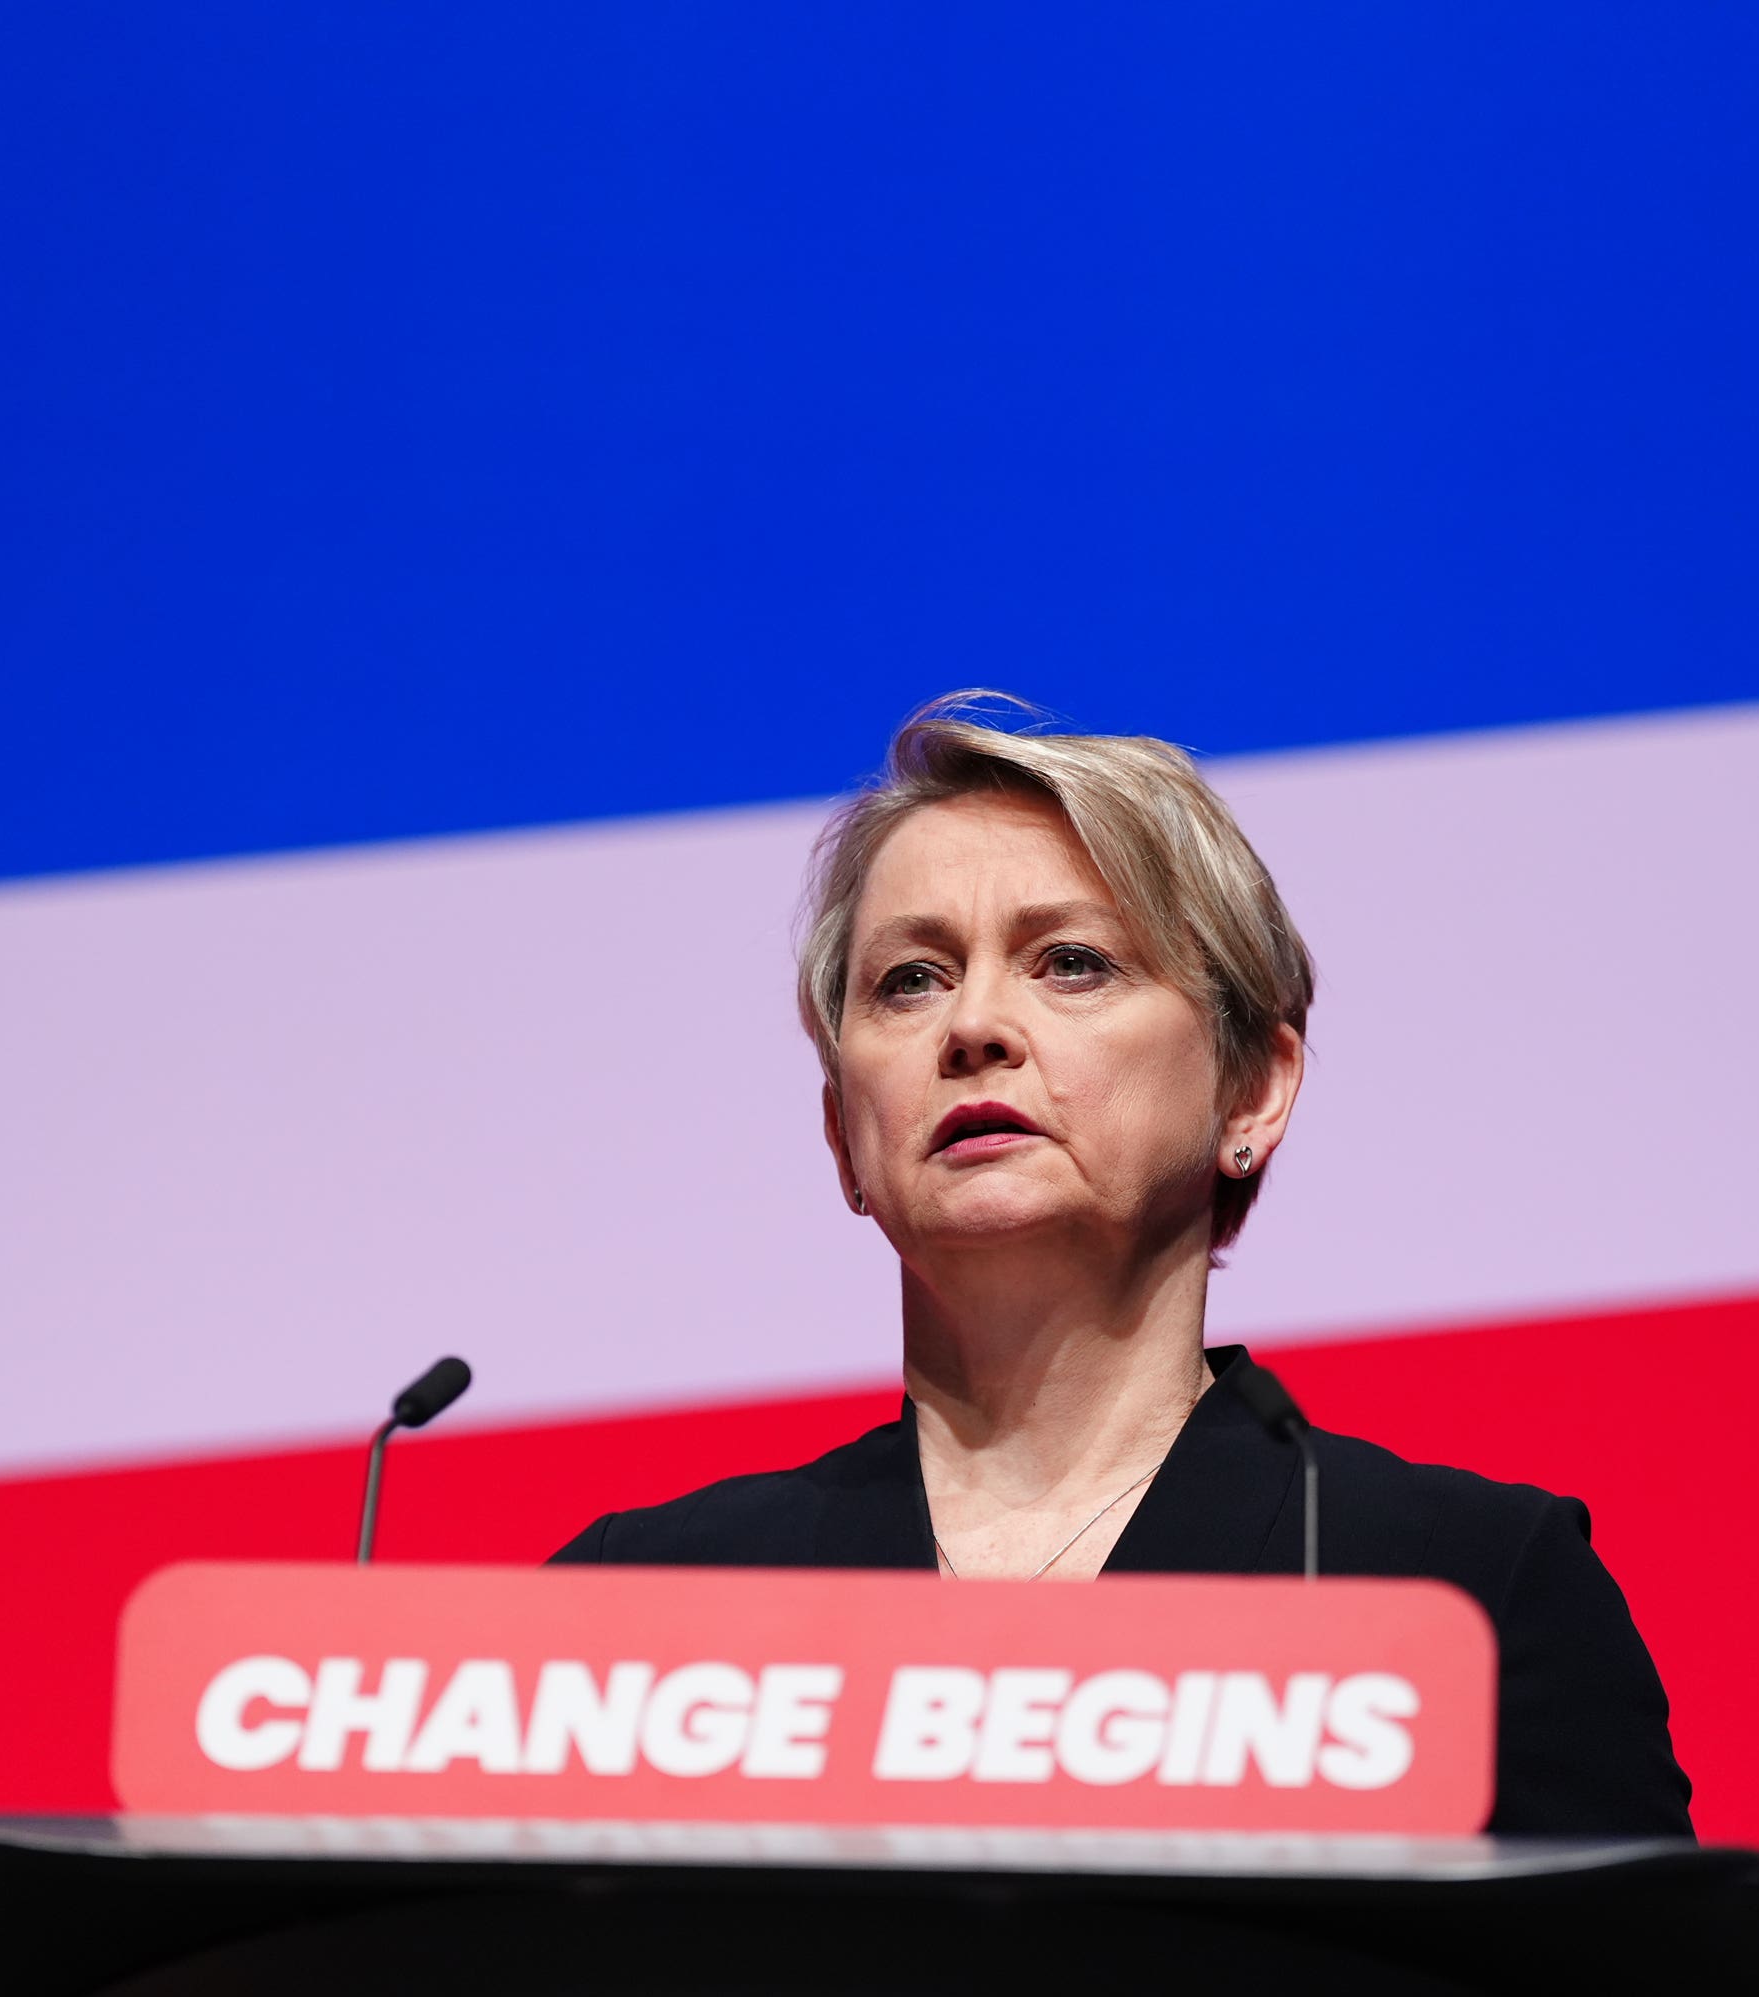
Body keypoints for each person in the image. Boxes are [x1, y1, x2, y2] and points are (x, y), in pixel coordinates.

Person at [553, 695, 1692, 1836]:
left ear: (1252, 1089)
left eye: (1073, 963)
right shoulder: (646, 1607)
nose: (974, 1025)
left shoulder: (1454, 1590)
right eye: (911, 978)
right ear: (842, 1132)